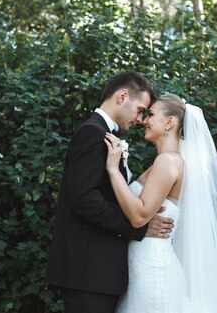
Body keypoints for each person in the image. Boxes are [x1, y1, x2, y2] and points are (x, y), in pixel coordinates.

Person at [47, 72, 175, 313]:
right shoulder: (92, 133)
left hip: (99, 274)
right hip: (87, 272)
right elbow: (84, 199)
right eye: (140, 110)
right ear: (122, 96)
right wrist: (138, 226)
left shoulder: (106, 135)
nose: (140, 119)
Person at [103, 93, 217, 313]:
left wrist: (112, 169)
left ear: (170, 122)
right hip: (145, 267)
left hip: (153, 270)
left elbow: (139, 216)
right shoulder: (168, 161)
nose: (144, 121)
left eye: (151, 115)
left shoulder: (167, 161)